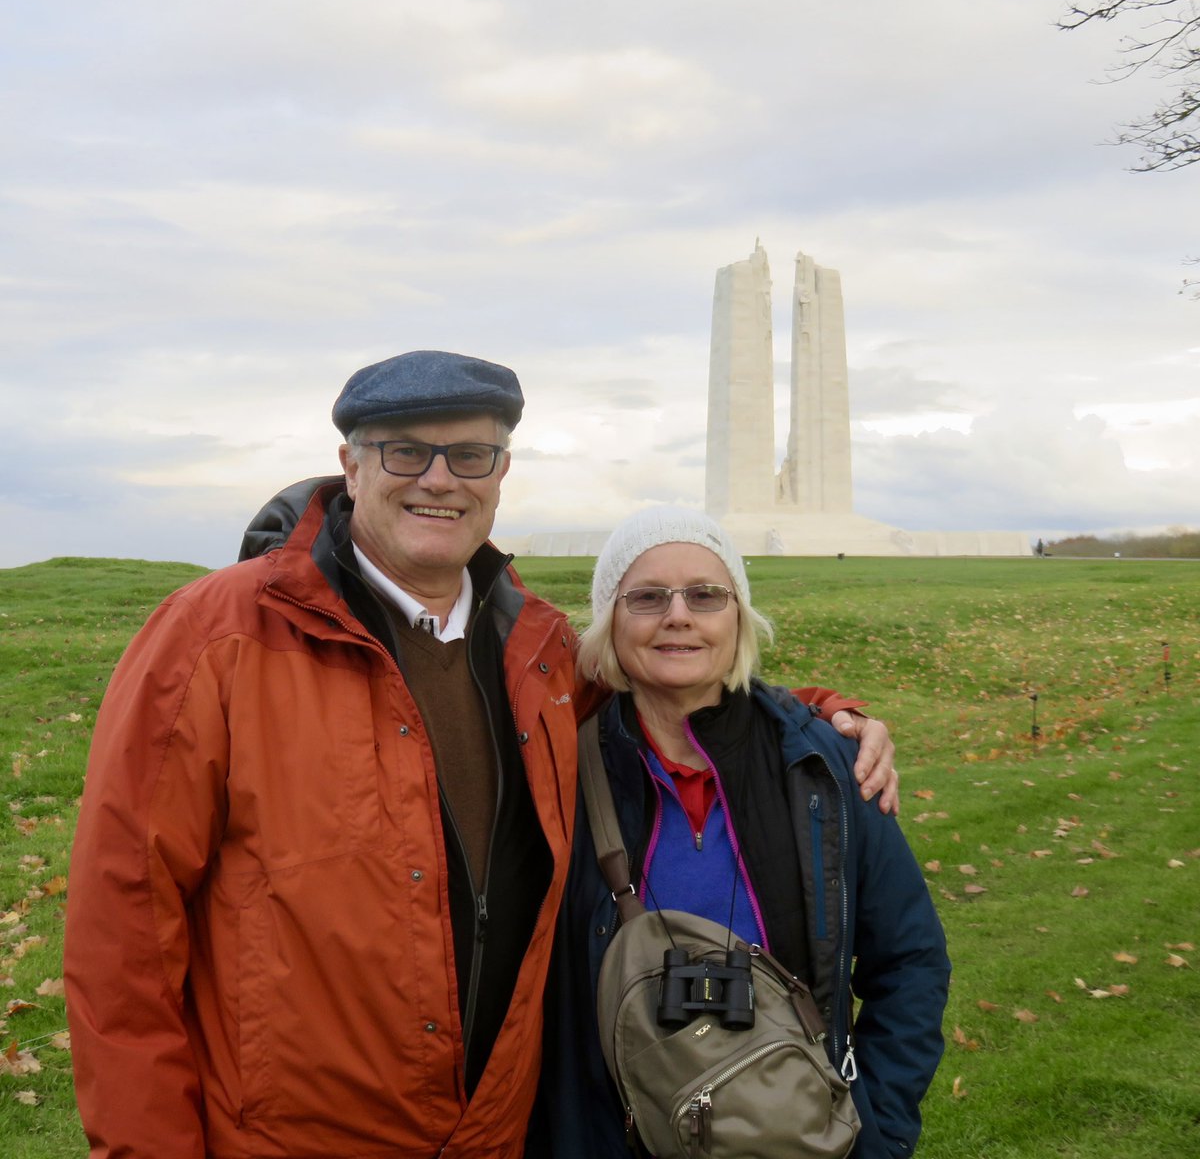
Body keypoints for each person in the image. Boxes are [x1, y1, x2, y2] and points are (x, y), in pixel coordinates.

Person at [64, 350, 898, 1159]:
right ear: (350, 467)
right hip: (292, 1135)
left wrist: (822, 718)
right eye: (406, 451)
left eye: (470, 454)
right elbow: (123, 934)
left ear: (500, 473)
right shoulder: (216, 637)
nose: (439, 479)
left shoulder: (536, 649)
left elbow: (677, 675)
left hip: (496, 1131)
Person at [529, 505, 950, 1159]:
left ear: (738, 618)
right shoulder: (553, 770)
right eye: (646, 597)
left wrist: (873, 1130)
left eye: (706, 595)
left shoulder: (824, 767)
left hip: (792, 1133)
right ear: (610, 622)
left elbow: (910, 963)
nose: (679, 615)